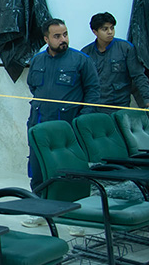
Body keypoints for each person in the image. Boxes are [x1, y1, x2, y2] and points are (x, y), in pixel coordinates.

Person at [26, 18, 100, 191]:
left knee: (65, 169)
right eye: (57, 36)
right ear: (46, 39)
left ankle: (66, 202)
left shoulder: (81, 60)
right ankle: (38, 200)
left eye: (65, 35)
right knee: (38, 167)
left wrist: (82, 118)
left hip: (67, 125)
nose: (63, 39)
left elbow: (93, 91)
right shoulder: (37, 60)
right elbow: (33, 86)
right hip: (39, 122)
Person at [82, 12, 149, 113]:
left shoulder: (126, 48)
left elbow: (138, 76)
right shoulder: (86, 53)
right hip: (94, 106)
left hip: (119, 106)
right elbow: (82, 82)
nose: (110, 32)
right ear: (95, 32)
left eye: (112, 28)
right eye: (105, 29)